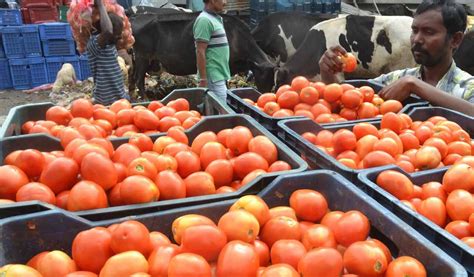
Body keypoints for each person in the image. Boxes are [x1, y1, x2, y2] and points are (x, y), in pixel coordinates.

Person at [319, 0, 474, 116]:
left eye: (429, 32)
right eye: (414, 30)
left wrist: (416, 86)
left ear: (455, 40)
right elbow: (351, 104)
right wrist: (329, 76)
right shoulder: (396, 79)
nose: (417, 39)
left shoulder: (467, 87)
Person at [87, 0, 129, 106]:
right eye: (117, 34)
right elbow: (108, 31)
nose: (119, 37)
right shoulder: (95, 45)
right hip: (105, 103)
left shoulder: (110, 45)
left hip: (120, 99)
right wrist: (100, 5)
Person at [193, 0, 231, 103]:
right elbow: (200, 51)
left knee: (219, 111)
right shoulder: (204, 20)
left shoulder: (215, 19)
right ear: (213, 1)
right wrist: (203, 79)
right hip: (212, 77)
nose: (225, 2)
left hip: (219, 75)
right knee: (220, 113)